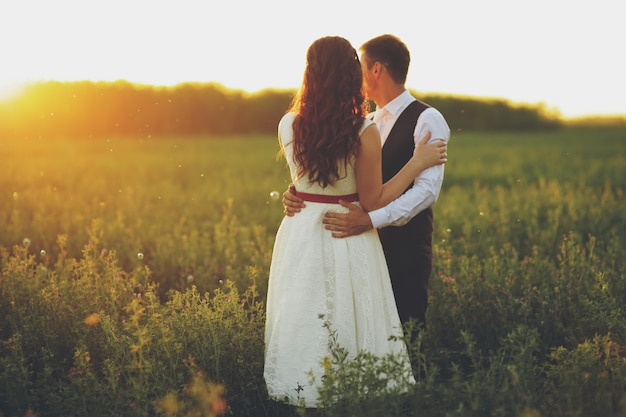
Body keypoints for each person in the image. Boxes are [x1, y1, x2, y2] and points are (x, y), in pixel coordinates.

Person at [263, 36, 447, 413]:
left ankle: (304, 390)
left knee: (305, 312)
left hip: (301, 232)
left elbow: (309, 179)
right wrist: (416, 163)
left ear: (309, 74)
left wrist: (298, 193)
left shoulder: (287, 124)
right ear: (351, 75)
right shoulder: (364, 129)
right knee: (353, 316)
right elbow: (372, 200)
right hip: (347, 232)